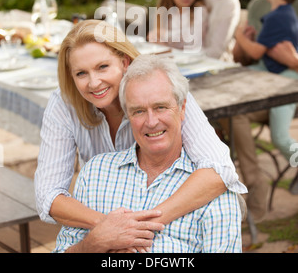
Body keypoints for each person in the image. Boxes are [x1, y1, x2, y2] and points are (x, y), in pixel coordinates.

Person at [35, 19, 245, 252]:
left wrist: (139, 227)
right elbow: (49, 196)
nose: (94, 82)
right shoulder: (66, 108)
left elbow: (220, 169)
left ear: (124, 62)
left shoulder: (159, 88)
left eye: (102, 67)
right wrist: (107, 230)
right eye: (81, 73)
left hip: (167, 201)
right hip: (102, 201)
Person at [225, 0, 298, 221]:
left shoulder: (281, 10)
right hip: (262, 86)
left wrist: (293, 61)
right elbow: (246, 58)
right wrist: (242, 44)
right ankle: (253, 184)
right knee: (230, 112)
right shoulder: (259, 5)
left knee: (277, 133)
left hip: (288, 89)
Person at [235, 0, 298, 161]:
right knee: (236, 78)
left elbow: (255, 52)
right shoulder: (285, 14)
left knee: (279, 137)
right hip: (274, 71)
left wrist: (240, 36)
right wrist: (253, 38)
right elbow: (263, 50)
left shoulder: (276, 17)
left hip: (287, 81)